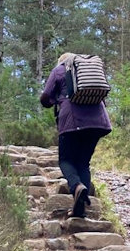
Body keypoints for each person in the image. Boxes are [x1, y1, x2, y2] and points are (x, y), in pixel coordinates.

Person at [40, 52, 112, 218]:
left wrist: (55, 100)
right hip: (97, 122)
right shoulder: (91, 70)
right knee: (83, 163)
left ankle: (76, 186)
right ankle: (80, 209)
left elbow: (45, 98)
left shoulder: (59, 70)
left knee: (65, 160)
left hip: (72, 121)